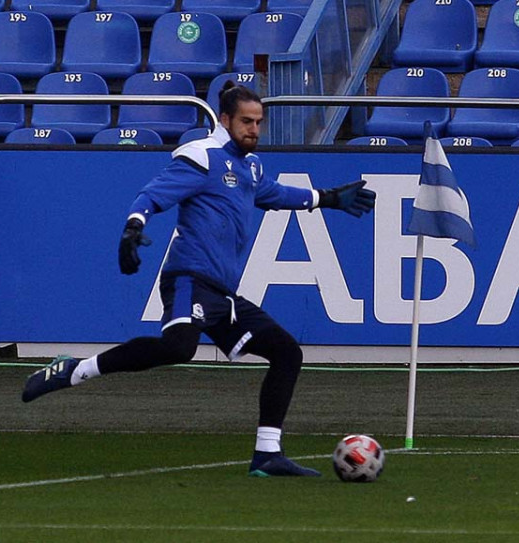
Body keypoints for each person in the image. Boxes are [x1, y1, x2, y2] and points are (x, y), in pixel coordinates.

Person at [21, 82, 376, 477]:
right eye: (246, 121)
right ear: (224, 120)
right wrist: (133, 227)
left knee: (287, 352)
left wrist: (326, 198)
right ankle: (74, 370)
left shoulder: (251, 166)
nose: (254, 129)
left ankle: (267, 455)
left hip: (222, 293)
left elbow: (273, 193)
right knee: (179, 347)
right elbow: (152, 195)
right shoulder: (202, 156)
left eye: (258, 122)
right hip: (189, 276)